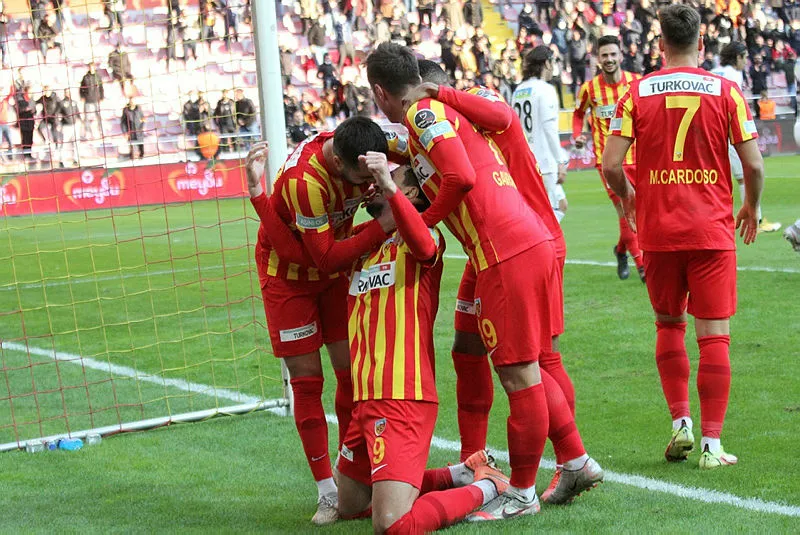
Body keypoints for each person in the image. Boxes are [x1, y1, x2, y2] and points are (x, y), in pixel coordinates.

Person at [367, 42, 555, 520]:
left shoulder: (422, 114)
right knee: (521, 367)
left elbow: (461, 177)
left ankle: (523, 492)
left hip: (504, 250)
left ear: (380, 92)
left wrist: (422, 220)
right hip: (517, 242)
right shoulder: (434, 114)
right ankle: (560, 465)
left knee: (521, 375)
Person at [409, 58, 603, 506]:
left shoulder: (473, 99)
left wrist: (441, 95)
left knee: (538, 360)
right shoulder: (439, 122)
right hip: (490, 246)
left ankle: (569, 459)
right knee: (467, 347)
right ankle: (474, 460)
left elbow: (501, 116)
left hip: (527, 236)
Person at [603, 3, 765, 470]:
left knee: (669, 325)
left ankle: (681, 423)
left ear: (660, 44)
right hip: (711, 230)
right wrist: (751, 206)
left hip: (658, 232)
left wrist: (628, 197)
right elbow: (754, 165)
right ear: (701, 43)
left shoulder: (635, 92)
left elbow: (611, 165)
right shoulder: (727, 91)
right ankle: (712, 445)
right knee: (714, 337)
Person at [244, 117, 395, 525]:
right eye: (362, 178)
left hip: (331, 273)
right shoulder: (306, 181)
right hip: (289, 277)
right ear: (340, 163)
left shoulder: (363, 149)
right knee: (308, 381)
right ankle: (328, 491)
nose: (368, 183)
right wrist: (382, 226)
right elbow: (317, 258)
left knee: (353, 376)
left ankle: (350, 476)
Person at [573, 35, 645, 282]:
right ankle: (642, 266)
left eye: (613, 54)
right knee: (624, 209)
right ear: (598, 59)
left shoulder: (637, 82)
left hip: (638, 158)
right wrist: (578, 134)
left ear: (621, 55)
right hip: (608, 163)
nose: (609, 59)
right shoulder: (589, 89)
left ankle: (621, 250)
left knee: (638, 212)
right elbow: (578, 114)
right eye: (604, 55)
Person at [712, 42, 780, 233]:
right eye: (744, 57)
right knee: (745, 176)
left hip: (710, 132)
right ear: (737, 57)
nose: (746, 62)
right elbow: (736, 107)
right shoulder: (734, 75)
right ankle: (756, 220)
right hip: (728, 132)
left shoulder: (714, 71)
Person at [512, 46, 569, 223]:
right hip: (544, 162)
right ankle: (545, 241)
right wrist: (560, 161)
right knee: (550, 213)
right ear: (546, 63)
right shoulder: (546, 89)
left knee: (555, 207)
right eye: (553, 61)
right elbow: (549, 127)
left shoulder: (518, 91)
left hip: (525, 160)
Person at [79, 63, 104, 141]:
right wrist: (82, 96)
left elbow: (101, 87)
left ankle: (100, 130)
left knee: (98, 115)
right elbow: (81, 88)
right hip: (88, 99)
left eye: (92, 67)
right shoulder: (85, 77)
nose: (91, 68)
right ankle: (87, 132)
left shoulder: (98, 77)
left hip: (96, 99)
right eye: (90, 67)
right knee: (86, 116)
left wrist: (101, 96)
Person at [58, 88, 80, 166]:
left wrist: (80, 122)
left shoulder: (74, 102)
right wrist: (59, 123)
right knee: (63, 144)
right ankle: (61, 160)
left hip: (74, 126)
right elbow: (57, 113)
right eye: (66, 92)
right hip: (65, 126)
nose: (68, 94)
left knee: (76, 143)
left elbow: (78, 113)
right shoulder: (61, 103)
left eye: (69, 92)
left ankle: (76, 159)